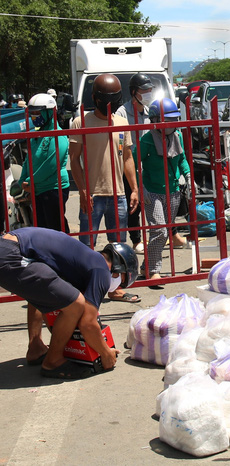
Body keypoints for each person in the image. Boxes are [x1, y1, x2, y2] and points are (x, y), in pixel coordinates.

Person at [0, 227, 137, 379]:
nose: (117, 286)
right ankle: (53, 361)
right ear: (119, 269)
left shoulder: (84, 259)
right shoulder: (102, 270)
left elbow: (44, 292)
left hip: (9, 247)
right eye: (122, 282)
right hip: (13, 254)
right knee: (76, 304)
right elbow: (88, 324)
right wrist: (106, 353)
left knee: (43, 289)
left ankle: (35, 347)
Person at [69, 73, 141, 303]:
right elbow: (74, 160)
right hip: (92, 195)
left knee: (118, 246)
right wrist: (82, 190)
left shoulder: (121, 123)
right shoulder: (81, 122)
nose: (109, 104)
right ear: (95, 97)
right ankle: (83, 288)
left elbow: (127, 157)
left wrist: (134, 189)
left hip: (118, 193)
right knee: (86, 246)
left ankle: (114, 289)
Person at [138, 98, 190, 280]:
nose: (173, 124)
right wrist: (140, 188)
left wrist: (189, 176)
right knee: (159, 230)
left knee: (163, 231)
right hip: (152, 192)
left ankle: (147, 266)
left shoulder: (178, 136)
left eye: (175, 119)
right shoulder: (146, 140)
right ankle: (154, 271)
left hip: (174, 190)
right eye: (169, 120)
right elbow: (134, 165)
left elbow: (181, 158)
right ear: (155, 120)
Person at [19, 93, 70, 232]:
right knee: (42, 228)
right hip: (37, 189)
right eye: (32, 113)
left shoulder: (58, 135)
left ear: (49, 112)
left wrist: (30, 181)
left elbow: (51, 165)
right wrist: (22, 180)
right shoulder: (36, 134)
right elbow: (28, 160)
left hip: (53, 188)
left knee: (55, 227)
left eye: (38, 112)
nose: (34, 116)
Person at [116, 72, 155, 254]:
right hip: (130, 164)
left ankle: (172, 234)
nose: (148, 92)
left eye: (150, 89)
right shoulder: (122, 113)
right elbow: (119, 144)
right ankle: (136, 240)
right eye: (144, 90)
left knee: (158, 201)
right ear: (133, 92)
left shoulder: (150, 111)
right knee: (134, 205)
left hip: (149, 164)